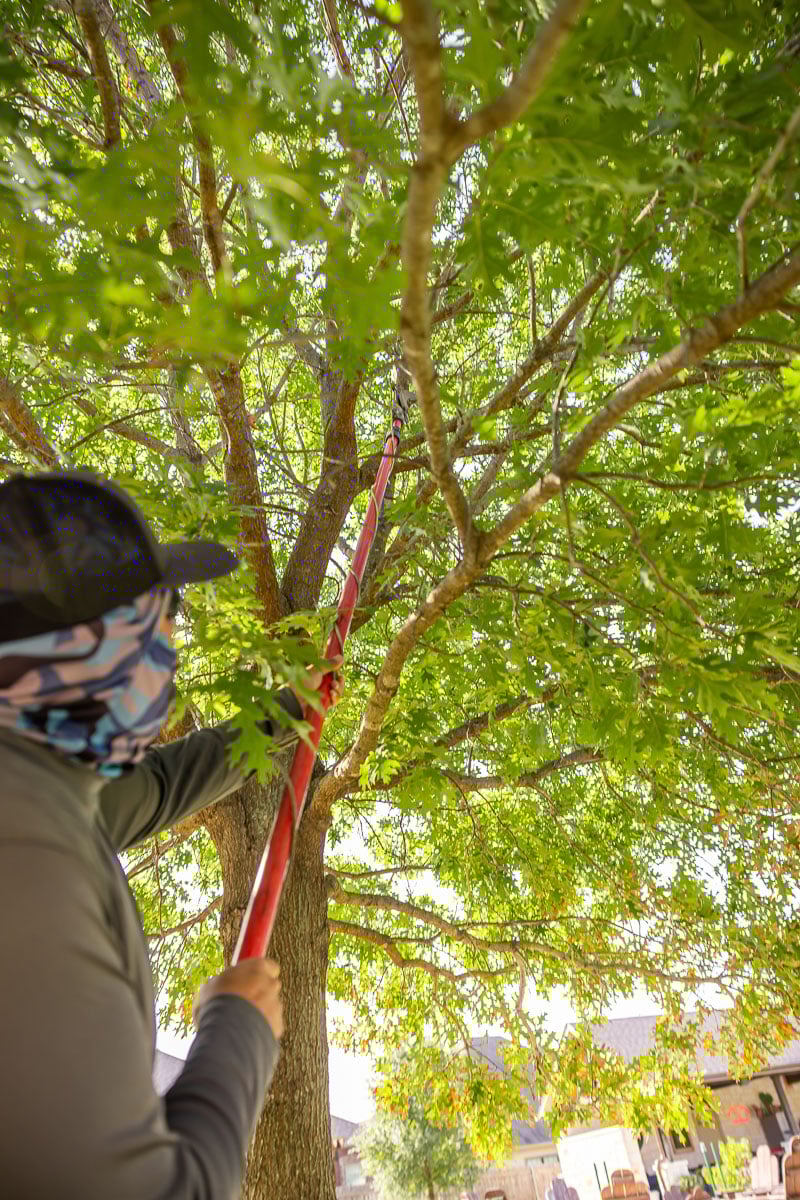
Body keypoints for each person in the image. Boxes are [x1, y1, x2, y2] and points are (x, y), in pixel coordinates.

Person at [0, 470, 342, 1199]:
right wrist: (237, 1030)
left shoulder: (52, 791)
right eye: (158, 624)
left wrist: (290, 712)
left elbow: (162, 784)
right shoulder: (23, 855)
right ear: (91, 652)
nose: (173, 653)